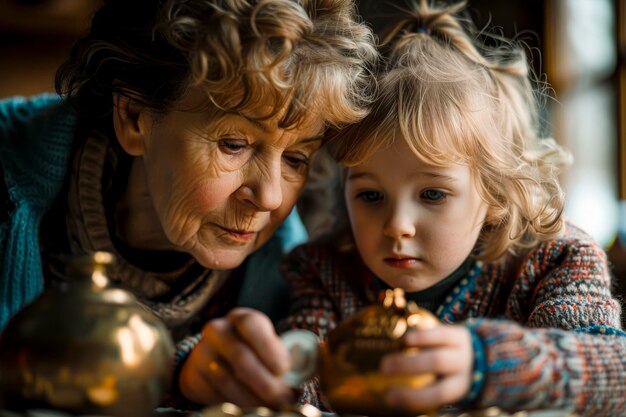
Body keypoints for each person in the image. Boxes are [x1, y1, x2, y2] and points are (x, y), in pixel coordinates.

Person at [0, 0, 377, 409]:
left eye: (295, 159)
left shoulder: (297, 269)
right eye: (234, 144)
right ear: (134, 118)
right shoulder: (9, 177)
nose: (269, 197)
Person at [279, 1, 626, 416]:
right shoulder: (326, 270)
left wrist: (484, 362)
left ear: (496, 194)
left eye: (432, 195)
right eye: (371, 195)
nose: (397, 226)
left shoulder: (554, 259)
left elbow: (615, 371)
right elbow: (300, 376)